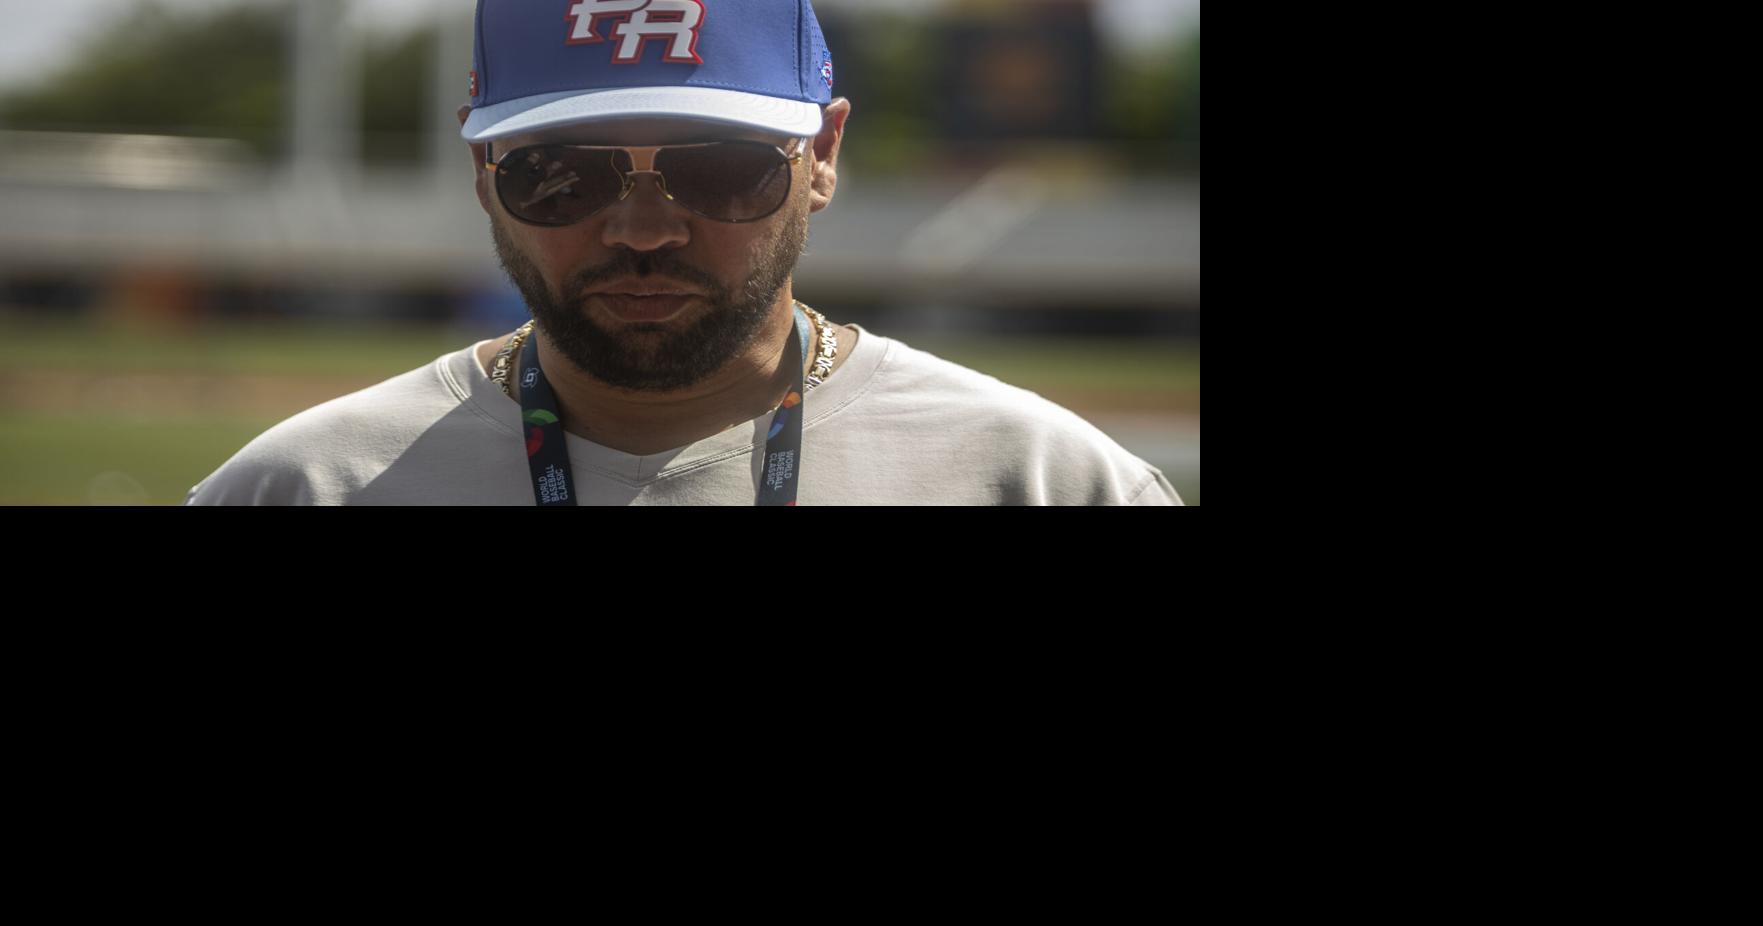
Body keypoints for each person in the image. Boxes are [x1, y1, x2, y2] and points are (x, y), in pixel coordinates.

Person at [184, 0, 1183, 506]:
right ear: (483, 169)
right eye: (561, 175)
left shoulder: (1038, 478)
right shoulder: (305, 486)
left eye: (723, 171)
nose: (644, 229)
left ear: (823, 157)